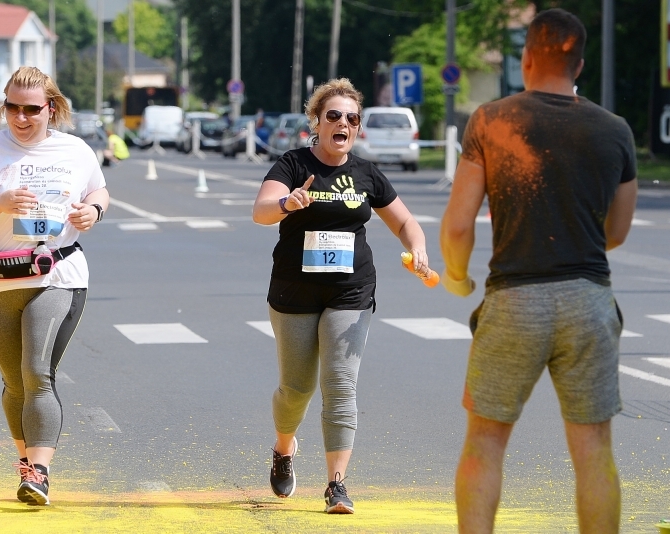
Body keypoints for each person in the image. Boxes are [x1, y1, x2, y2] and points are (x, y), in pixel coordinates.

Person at [439, 9, 637, 533]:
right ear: (580, 65)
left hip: (514, 301)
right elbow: (617, 231)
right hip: (588, 302)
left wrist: (458, 277)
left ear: (526, 58)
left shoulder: (491, 121)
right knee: (594, 450)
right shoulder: (615, 130)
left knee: (485, 444)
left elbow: (457, 227)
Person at [252, 78, 430, 514]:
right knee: (296, 389)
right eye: (333, 116)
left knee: (340, 385)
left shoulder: (366, 173)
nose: (343, 124)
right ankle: (283, 447)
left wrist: (418, 247)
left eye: (352, 118)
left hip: (351, 290)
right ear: (316, 121)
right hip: (294, 288)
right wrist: (287, 204)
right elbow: (261, 211)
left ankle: (336, 484)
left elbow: (405, 222)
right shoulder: (293, 164)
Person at [0, 66, 109, 506]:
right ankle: (26, 464)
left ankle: (40, 472)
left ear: (51, 108)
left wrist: (93, 212)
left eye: (31, 109)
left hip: (57, 274)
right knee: (13, 382)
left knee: (37, 373)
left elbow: (99, 191)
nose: (21, 117)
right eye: (12, 108)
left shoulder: (74, 150)